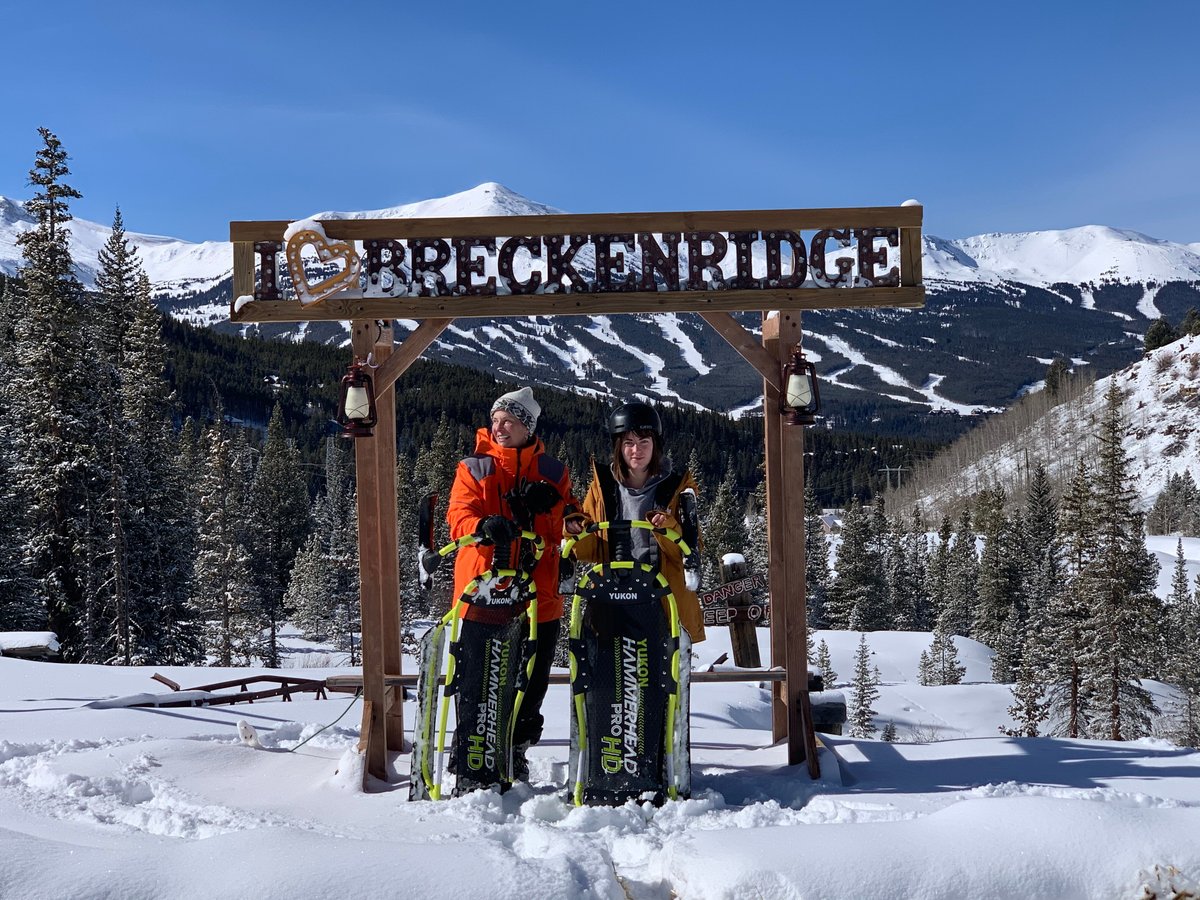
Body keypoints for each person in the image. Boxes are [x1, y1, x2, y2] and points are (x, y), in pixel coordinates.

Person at [446, 386, 574, 782]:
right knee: (478, 679)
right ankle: (473, 754)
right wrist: (484, 526)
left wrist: (547, 509)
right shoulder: (474, 467)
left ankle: (515, 752)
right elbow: (459, 518)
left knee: (531, 682)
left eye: (510, 421)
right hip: (484, 594)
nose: (500, 427)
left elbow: (567, 531)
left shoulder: (553, 473)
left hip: (540, 598)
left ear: (528, 426)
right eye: (496, 420)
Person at [567, 401, 706, 643]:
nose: (636, 451)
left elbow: (688, 552)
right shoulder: (603, 488)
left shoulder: (677, 488)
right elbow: (590, 549)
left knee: (663, 677)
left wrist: (668, 528)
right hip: (614, 597)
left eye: (644, 442)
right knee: (614, 676)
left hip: (662, 598)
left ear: (656, 446)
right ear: (618, 447)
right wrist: (574, 531)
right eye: (629, 443)